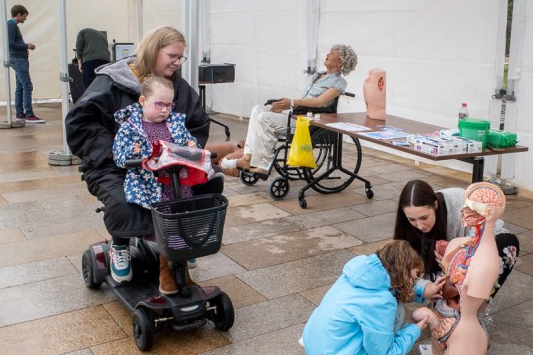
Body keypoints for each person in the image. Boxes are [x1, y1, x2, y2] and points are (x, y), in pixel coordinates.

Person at [66, 26, 236, 295]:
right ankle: (119, 245)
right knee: (124, 200)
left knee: (206, 183)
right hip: (114, 163)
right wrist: (118, 153)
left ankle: (179, 241)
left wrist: (185, 148)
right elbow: (81, 123)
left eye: (180, 58)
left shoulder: (175, 85)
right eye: (172, 56)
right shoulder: (113, 81)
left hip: (163, 164)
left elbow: (196, 122)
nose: (177, 63)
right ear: (154, 49)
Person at [302, 240, 430, 355]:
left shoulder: (362, 273)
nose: (414, 282)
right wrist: (414, 330)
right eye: (415, 278)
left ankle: (326, 350)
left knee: (389, 311)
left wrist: (422, 291)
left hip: (313, 343)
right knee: (398, 312)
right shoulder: (382, 301)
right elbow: (384, 354)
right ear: (403, 271)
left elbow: (394, 286)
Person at [112, 76, 201, 294]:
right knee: (165, 226)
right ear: (143, 101)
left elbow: (189, 144)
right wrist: (131, 155)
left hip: (177, 183)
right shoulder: (131, 127)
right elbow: (118, 156)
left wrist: (192, 145)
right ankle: (165, 271)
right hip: (151, 186)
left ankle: (182, 266)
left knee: (181, 221)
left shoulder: (175, 124)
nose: (165, 110)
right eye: (159, 104)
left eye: (169, 105)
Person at [412, 182, 507, 355]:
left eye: (473, 209)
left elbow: (472, 299)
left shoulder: (486, 261)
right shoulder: (457, 244)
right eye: (466, 206)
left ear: (489, 213)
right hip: (443, 315)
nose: (464, 212)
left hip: (463, 329)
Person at [217, 44, 358, 176]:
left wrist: (290, 102)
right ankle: (247, 156)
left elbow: (319, 102)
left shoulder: (339, 82)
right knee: (257, 111)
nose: (327, 54)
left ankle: (263, 165)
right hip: (296, 115)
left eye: (332, 53)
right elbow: (305, 98)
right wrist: (281, 105)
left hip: (309, 122)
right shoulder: (318, 75)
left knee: (264, 118)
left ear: (340, 63)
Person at [393, 180, 519, 308]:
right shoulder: (406, 226)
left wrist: (458, 254)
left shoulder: (460, 202)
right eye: (412, 220)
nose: (419, 225)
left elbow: (493, 230)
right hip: (440, 275)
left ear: (435, 205)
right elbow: (398, 272)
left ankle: (475, 308)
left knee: (508, 245)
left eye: (424, 218)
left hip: (472, 258)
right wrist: (425, 288)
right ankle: (450, 305)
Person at [7, 4, 44, 124]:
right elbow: (10, 44)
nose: (26, 19)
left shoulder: (12, 25)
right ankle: (29, 114)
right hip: (18, 59)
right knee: (27, 85)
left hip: (18, 59)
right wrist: (26, 45)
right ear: (19, 15)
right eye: (25, 16)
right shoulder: (11, 25)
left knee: (20, 86)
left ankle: (20, 113)